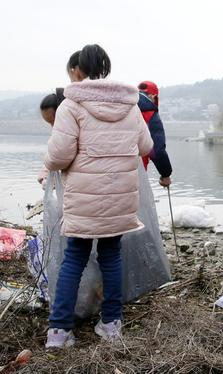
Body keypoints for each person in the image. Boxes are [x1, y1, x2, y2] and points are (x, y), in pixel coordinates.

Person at [44, 44, 154, 348]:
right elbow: (145, 147)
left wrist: (51, 164)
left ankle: (59, 331)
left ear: (78, 70)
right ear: (105, 68)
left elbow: (59, 155)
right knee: (111, 256)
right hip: (119, 197)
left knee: (74, 257)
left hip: (84, 198)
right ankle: (111, 324)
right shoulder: (129, 105)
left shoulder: (71, 104)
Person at [137, 81, 172, 187]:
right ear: (153, 96)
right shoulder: (150, 115)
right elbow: (156, 150)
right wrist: (165, 175)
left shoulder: (125, 108)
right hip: (135, 170)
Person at [37, 89, 65, 186]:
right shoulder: (59, 131)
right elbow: (53, 154)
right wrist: (44, 177)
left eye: (53, 121)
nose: (53, 126)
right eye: (49, 123)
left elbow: (59, 158)